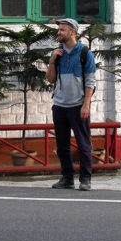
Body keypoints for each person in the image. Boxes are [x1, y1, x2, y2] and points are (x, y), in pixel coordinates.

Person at [46, 18, 97, 191]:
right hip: (60, 106)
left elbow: (90, 81)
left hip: (78, 106)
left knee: (83, 144)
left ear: (72, 32)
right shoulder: (57, 53)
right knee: (62, 146)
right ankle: (67, 178)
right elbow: (50, 79)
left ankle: (85, 179)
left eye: (62, 30)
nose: (59, 32)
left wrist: (86, 105)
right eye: (59, 29)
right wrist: (53, 60)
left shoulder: (84, 53)